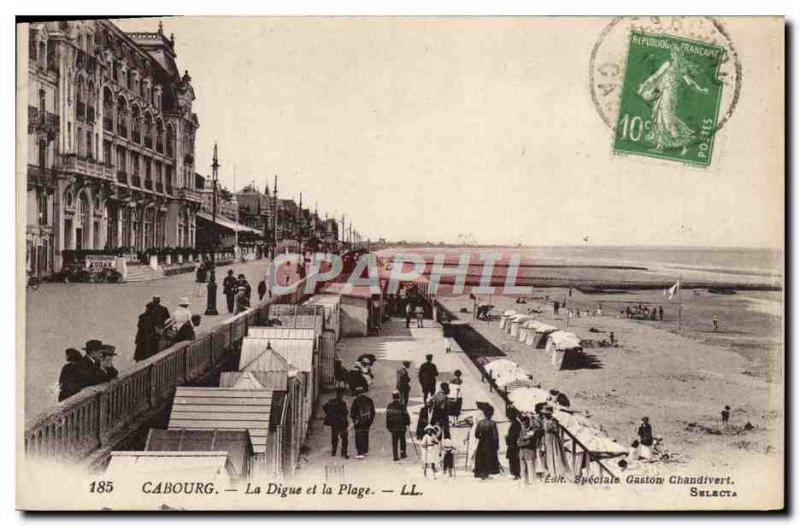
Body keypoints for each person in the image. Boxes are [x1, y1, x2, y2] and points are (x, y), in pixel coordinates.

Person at [473, 403, 500, 480]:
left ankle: (482, 473)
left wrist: (481, 436)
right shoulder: (492, 423)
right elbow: (495, 436)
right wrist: (496, 445)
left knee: (481, 458)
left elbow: (476, 434)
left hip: (482, 443)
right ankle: (488, 472)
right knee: (489, 458)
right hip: (490, 443)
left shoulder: (480, 423)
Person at [541, 405, 569, 476]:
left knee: (554, 453)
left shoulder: (553, 421)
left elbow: (557, 430)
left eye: (546, 414)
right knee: (547, 454)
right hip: (546, 438)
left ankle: (556, 472)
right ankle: (550, 470)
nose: (544, 415)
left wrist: (552, 427)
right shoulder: (544, 420)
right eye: (544, 414)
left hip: (553, 439)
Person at [350, 386, 376, 459]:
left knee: (358, 436)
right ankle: (365, 449)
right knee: (365, 434)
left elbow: (352, 412)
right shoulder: (369, 400)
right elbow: (373, 412)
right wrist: (370, 421)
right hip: (367, 421)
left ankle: (360, 452)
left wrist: (354, 420)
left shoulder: (356, 401)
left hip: (359, 422)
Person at [323, 389, 349, 459]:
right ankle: (343, 453)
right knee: (344, 438)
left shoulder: (331, 402)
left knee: (334, 438)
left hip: (334, 423)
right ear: (341, 395)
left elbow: (324, 407)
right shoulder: (342, 403)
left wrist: (330, 414)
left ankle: (333, 452)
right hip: (342, 423)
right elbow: (346, 412)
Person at [386, 391, 410, 461]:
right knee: (402, 440)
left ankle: (395, 456)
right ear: (399, 397)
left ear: (393, 397)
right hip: (402, 427)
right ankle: (403, 453)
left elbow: (388, 417)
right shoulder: (402, 406)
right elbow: (406, 416)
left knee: (394, 442)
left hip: (393, 427)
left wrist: (389, 427)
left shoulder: (389, 406)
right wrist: (407, 423)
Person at [505, 405, 522, 480]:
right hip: (513, 444)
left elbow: (515, 435)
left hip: (514, 445)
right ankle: (516, 474)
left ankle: (516, 474)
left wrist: (508, 438)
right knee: (513, 459)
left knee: (514, 459)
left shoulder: (516, 424)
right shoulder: (515, 423)